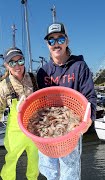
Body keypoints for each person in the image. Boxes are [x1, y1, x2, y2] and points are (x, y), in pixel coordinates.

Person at [36, 22, 97, 180]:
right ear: (47, 44)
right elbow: (38, 101)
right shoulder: (43, 72)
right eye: (51, 40)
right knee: (49, 172)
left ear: (67, 41)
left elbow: (90, 96)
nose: (56, 44)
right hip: (47, 133)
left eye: (60, 39)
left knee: (69, 174)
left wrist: (89, 119)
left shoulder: (79, 66)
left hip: (71, 129)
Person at [0, 47, 39, 180]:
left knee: (35, 161)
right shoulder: (3, 86)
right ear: (6, 65)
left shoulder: (34, 78)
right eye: (12, 62)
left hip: (34, 128)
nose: (17, 66)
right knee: (11, 160)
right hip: (15, 132)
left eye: (20, 61)